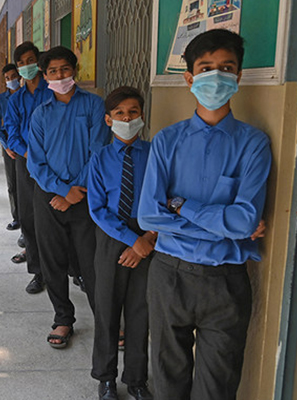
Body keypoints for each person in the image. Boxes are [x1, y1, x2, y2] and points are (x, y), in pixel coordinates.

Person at [138, 29, 272, 400]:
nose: (217, 76)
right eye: (206, 67)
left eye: (226, 67)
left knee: (218, 386)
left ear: (239, 76)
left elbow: (245, 220)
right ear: (189, 78)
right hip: (170, 275)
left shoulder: (253, 143)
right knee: (167, 379)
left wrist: (181, 205)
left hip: (225, 283)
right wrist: (227, 227)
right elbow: (149, 217)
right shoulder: (167, 140)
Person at [27, 46, 110, 348]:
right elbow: (35, 162)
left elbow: (98, 152)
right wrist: (63, 190)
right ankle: (63, 318)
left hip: (86, 195)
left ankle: (106, 319)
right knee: (53, 261)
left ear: (75, 69)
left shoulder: (93, 106)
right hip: (49, 197)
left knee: (91, 262)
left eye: (65, 69)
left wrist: (76, 192)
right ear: (45, 75)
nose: (60, 75)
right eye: (52, 71)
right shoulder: (40, 114)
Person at [88, 87, 154, 400]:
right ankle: (106, 378)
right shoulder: (99, 158)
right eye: (120, 114)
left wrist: (148, 239)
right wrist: (132, 241)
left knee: (141, 310)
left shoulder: (155, 155)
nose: (127, 118)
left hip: (149, 235)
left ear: (142, 116)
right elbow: (97, 209)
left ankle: (137, 380)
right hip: (112, 236)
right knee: (107, 307)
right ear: (108, 119)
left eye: (133, 112)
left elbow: (165, 200)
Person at [4, 41, 50, 294]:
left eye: (30, 60)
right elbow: (12, 135)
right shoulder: (16, 100)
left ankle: (73, 270)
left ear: (39, 62)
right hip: (26, 162)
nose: (25, 66)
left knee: (59, 215)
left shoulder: (52, 92)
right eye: (21, 63)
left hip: (55, 162)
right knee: (30, 218)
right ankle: (38, 272)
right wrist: (30, 154)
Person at [0, 63, 22, 231]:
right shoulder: (1, 100)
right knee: (13, 184)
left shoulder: (26, 96)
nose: (11, 80)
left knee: (27, 184)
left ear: (19, 77)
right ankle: (17, 217)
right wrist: (6, 147)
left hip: (26, 147)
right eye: (7, 78)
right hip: (10, 148)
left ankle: (29, 219)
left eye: (13, 77)